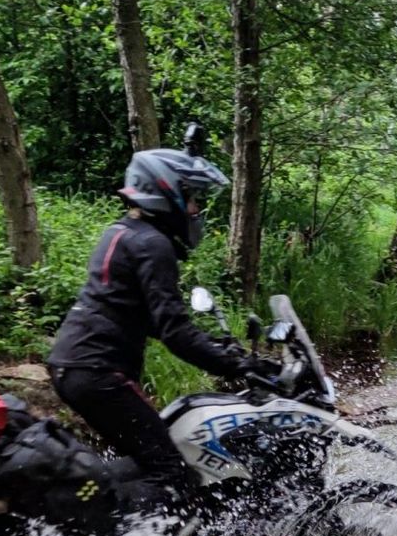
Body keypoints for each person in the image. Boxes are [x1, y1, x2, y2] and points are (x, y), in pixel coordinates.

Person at [47, 145, 265, 511]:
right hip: (100, 373)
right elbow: (176, 334)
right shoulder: (153, 244)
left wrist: (219, 349)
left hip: (75, 366)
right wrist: (241, 365)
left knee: (148, 457)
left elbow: (152, 320)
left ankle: (99, 523)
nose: (195, 209)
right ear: (166, 194)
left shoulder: (122, 233)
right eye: (191, 198)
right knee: (174, 475)